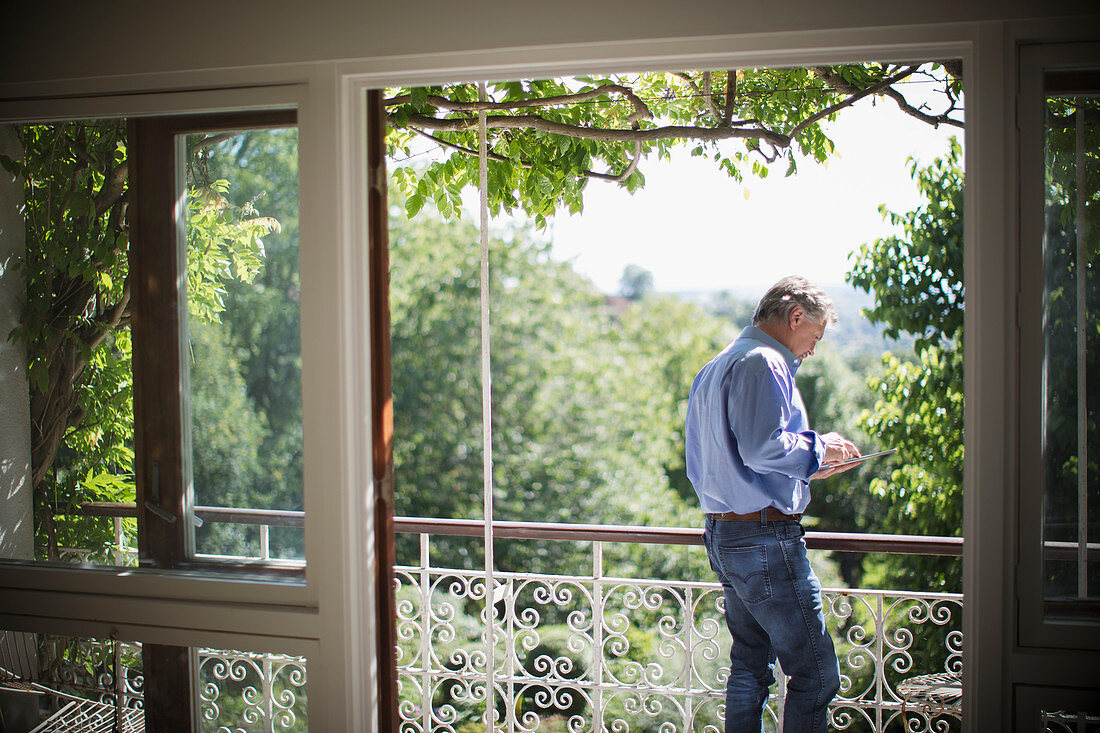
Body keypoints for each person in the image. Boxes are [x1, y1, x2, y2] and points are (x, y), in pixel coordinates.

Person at [685, 276, 862, 733]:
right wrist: (821, 451)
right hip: (763, 540)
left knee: (749, 667)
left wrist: (806, 467)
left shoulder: (716, 365)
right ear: (795, 316)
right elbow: (762, 449)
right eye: (815, 336)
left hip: (725, 535)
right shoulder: (764, 361)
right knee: (817, 675)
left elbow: (720, 460)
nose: (813, 349)